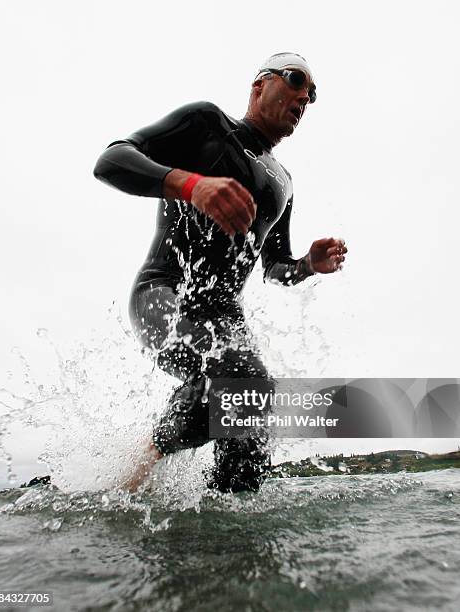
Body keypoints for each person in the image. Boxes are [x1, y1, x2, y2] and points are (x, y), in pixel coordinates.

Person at [93, 52, 347, 493]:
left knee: (253, 407)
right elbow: (112, 161)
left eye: (311, 96)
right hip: (165, 292)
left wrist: (307, 264)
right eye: (295, 81)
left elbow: (275, 268)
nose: (304, 97)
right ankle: (134, 472)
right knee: (242, 380)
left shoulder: (282, 182)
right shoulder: (207, 125)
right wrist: (191, 185)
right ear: (259, 85)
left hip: (224, 316)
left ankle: (230, 522)